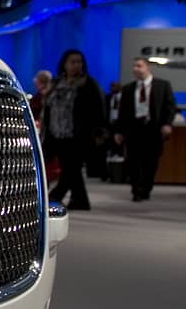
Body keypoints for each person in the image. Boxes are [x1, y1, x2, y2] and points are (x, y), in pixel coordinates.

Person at [41, 48, 103, 211]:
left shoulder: (88, 84)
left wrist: (97, 131)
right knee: (71, 169)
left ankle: (54, 197)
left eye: (79, 62)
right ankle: (80, 201)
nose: (76, 65)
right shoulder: (57, 82)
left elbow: (97, 110)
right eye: (72, 62)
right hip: (56, 133)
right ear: (65, 64)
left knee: (71, 169)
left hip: (78, 135)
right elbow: (48, 107)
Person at [115, 57, 178, 202]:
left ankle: (146, 188)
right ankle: (136, 190)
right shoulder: (128, 89)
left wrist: (167, 124)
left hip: (153, 129)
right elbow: (122, 112)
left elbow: (170, 107)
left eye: (139, 66)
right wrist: (119, 131)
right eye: (134, 66)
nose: (135, 69)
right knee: (133, 161)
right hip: (134, 129)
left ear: (148, 67)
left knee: (151, 162)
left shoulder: (162, 85)